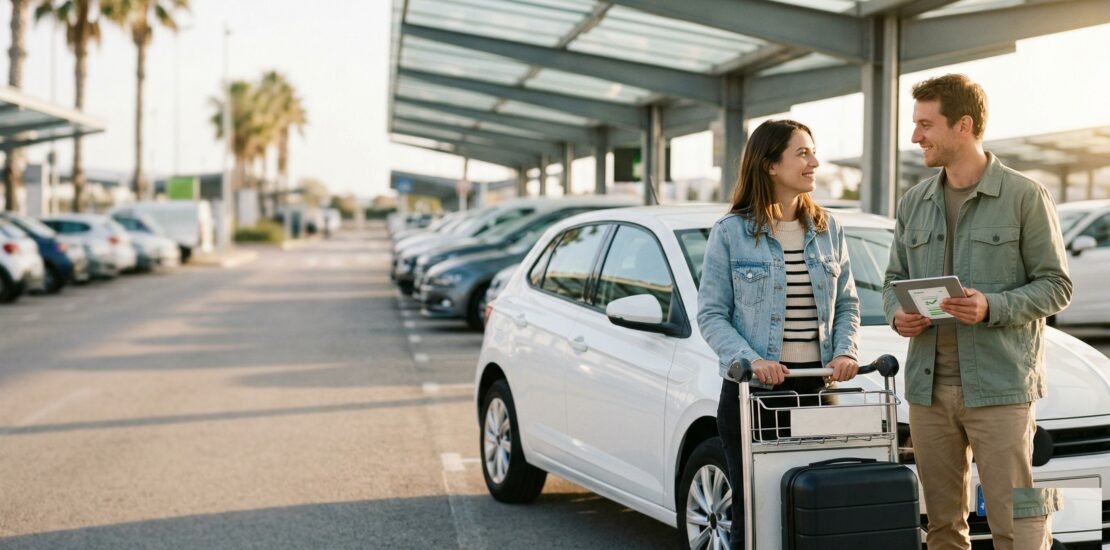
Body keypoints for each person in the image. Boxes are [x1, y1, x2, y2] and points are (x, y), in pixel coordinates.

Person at [883, 73, 1072, 550]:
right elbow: (891, 282)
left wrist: (993, 306)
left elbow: (1057, 285)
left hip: (1002, 388)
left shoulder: (1025, 195)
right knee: (943, 527)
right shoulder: (913, 202)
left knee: (1020, 526)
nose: (915, 136)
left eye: (925, 124)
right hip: (928, 391)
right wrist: (897, 315)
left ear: (963, 125)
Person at [697, 119, 861, 549]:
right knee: (757, 519)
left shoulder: (829, 230)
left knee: (817, 514)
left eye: (813, 151)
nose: (815, 162)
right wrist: (753, 362)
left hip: (817, 390)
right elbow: (712, 315)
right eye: (802, 153)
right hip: (755, 396)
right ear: (770, 164)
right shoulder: (731, 233)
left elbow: (847, 304)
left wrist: (845, 352)